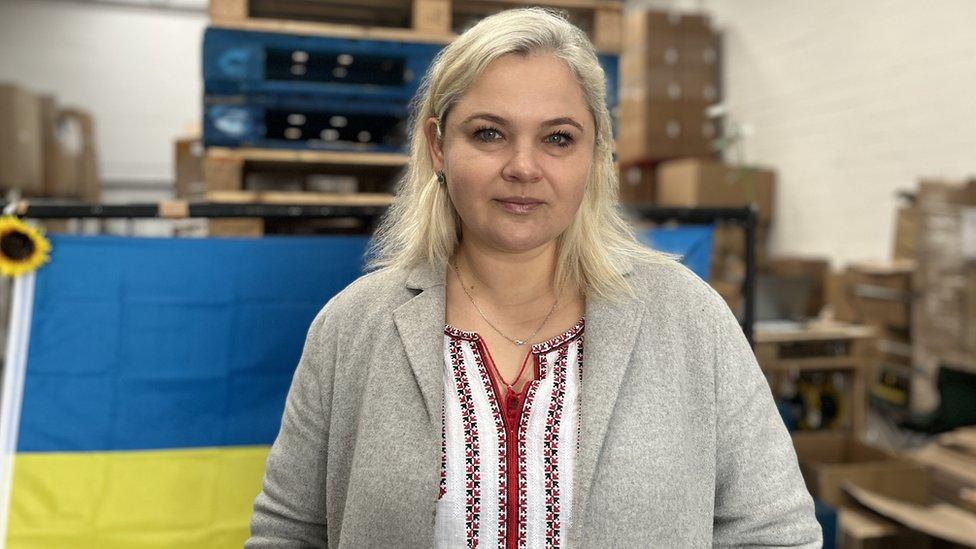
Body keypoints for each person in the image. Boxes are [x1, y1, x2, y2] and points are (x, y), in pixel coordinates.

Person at [246, 7, 822, 548]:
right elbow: (289, 530)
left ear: (595, 155)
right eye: (489, 133)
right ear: (438, 145)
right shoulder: (352, 328)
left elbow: (775, 532)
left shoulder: (688, 318)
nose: (523, 167)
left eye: (558, 138)